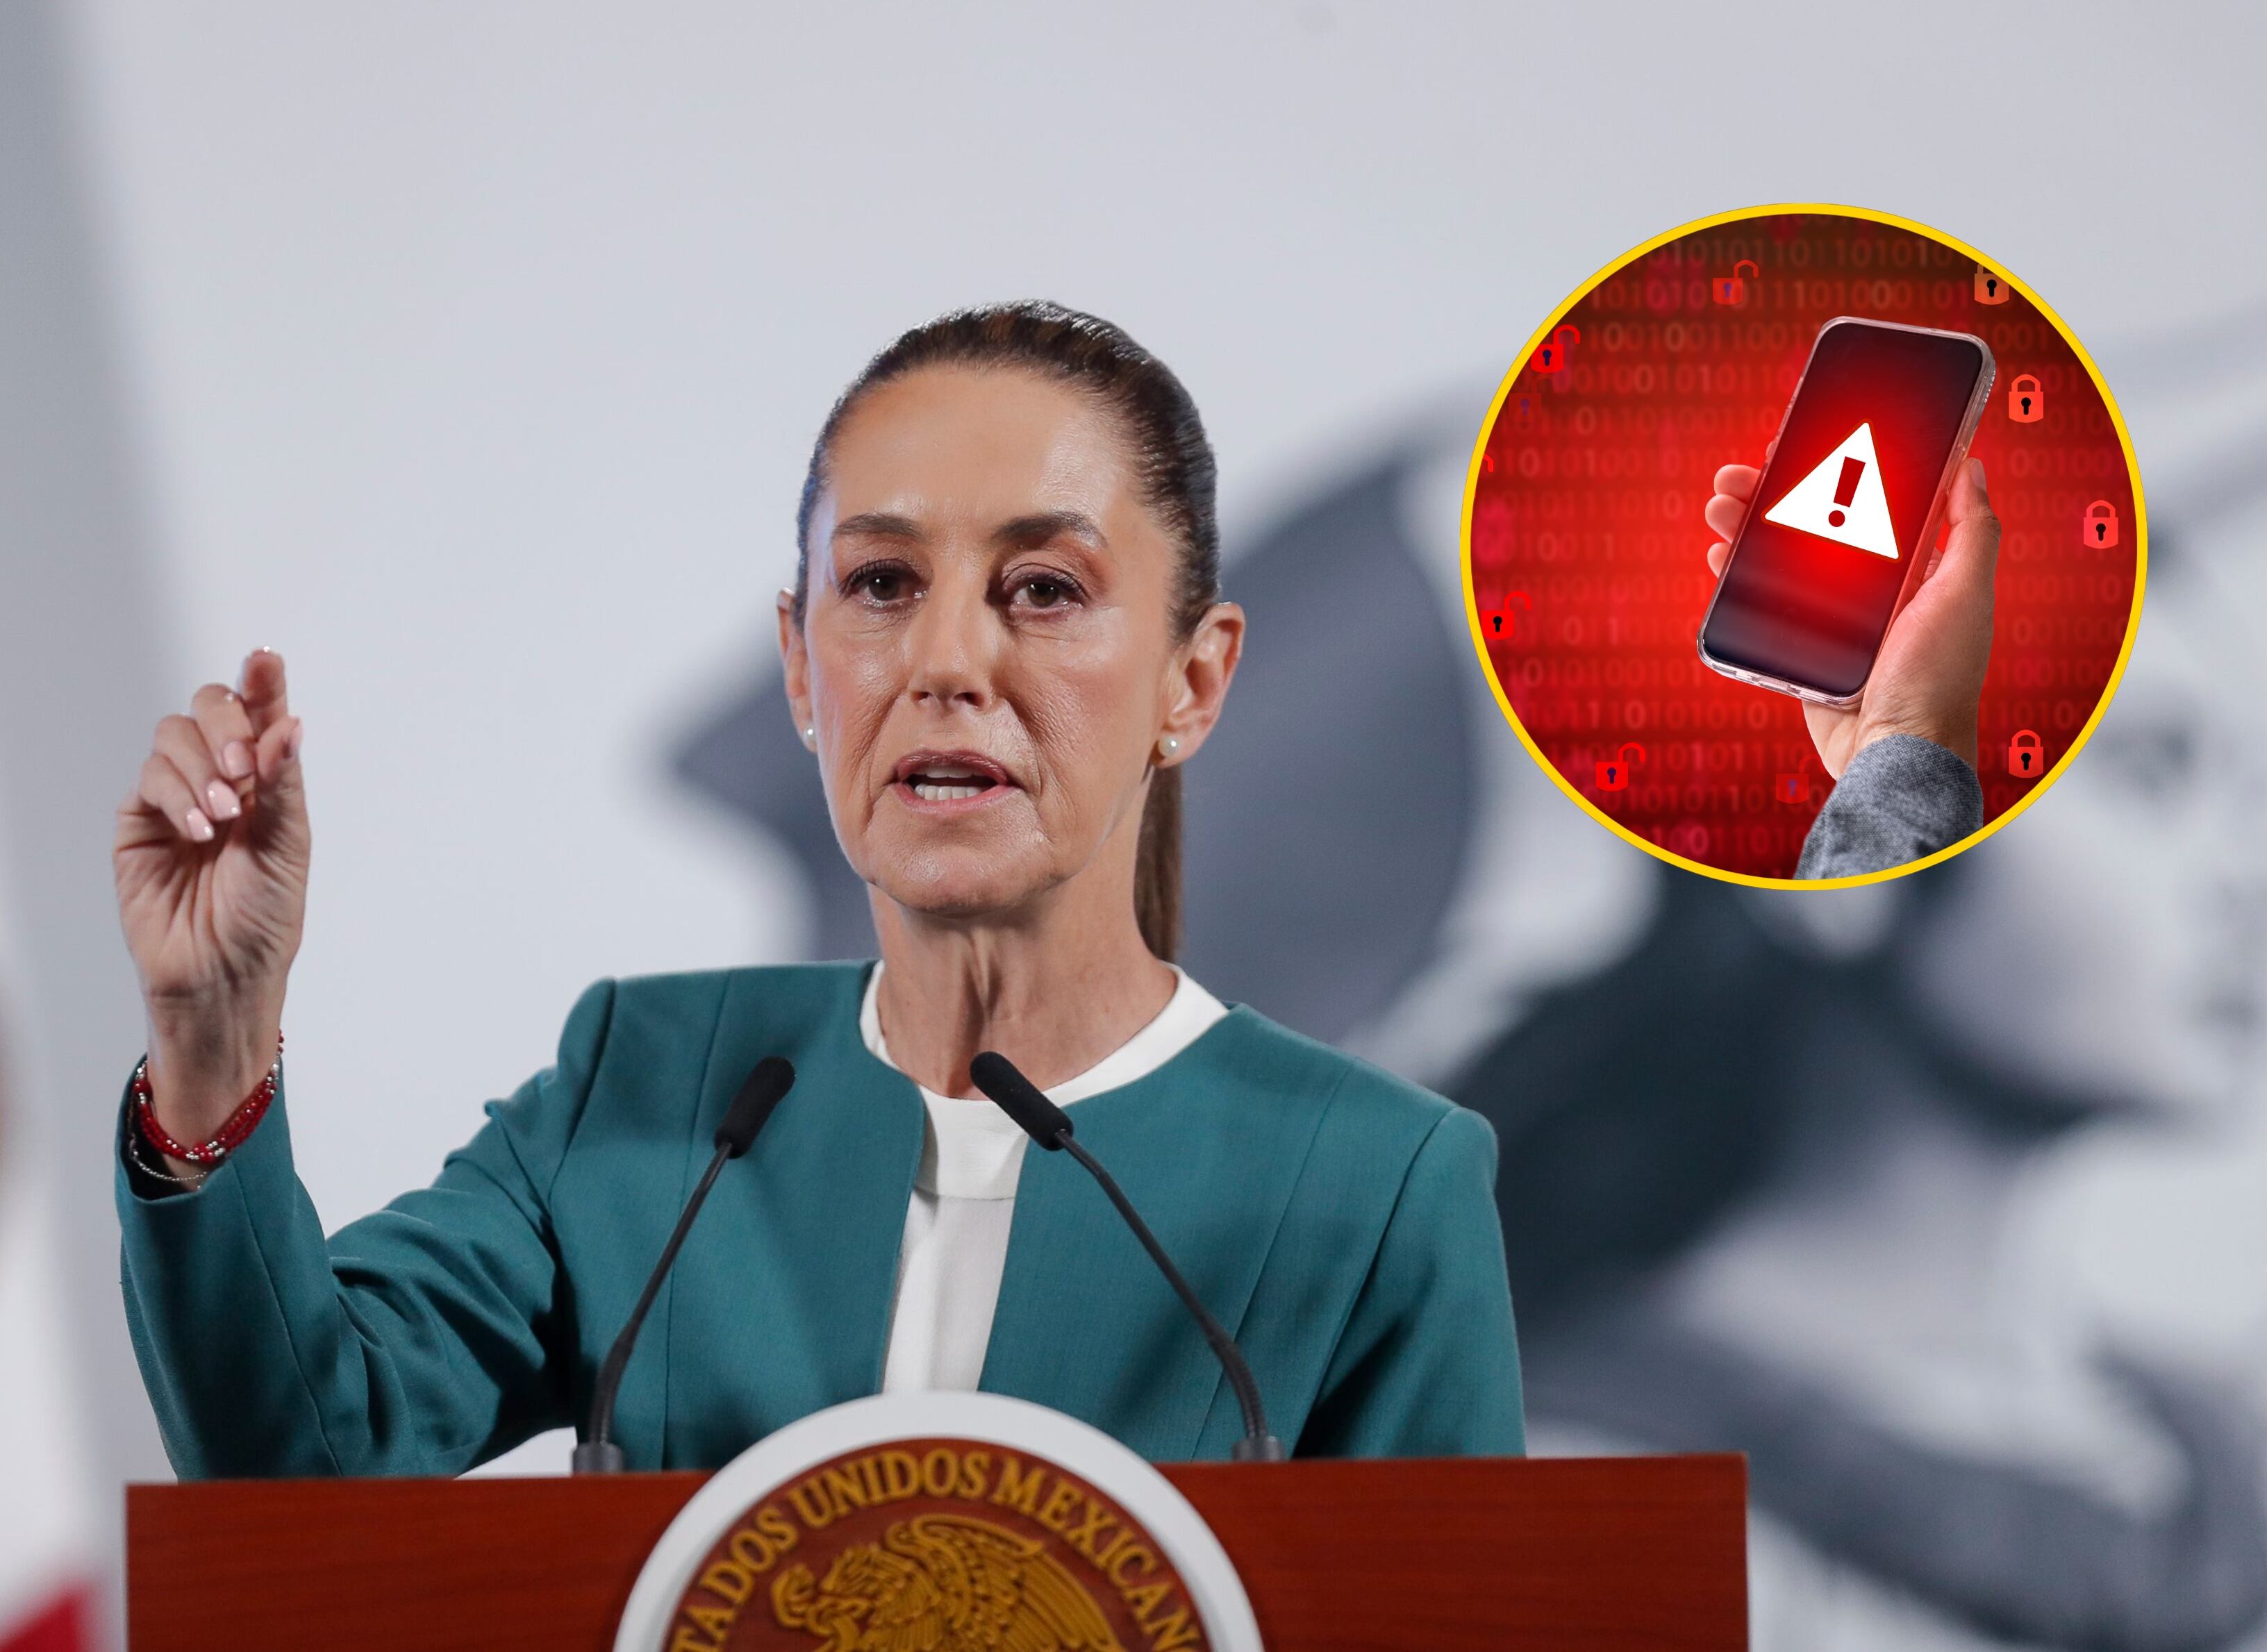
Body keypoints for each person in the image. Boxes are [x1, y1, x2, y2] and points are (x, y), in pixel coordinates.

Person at [109, 302, 1525, 1478]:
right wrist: (213, 1037)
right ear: (801, 665)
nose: (946, 663)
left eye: (1042, 587)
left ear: (1195, 678)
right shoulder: (651, 1098)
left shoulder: (1374, 1180)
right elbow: (296, 1455)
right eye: (884, 583)